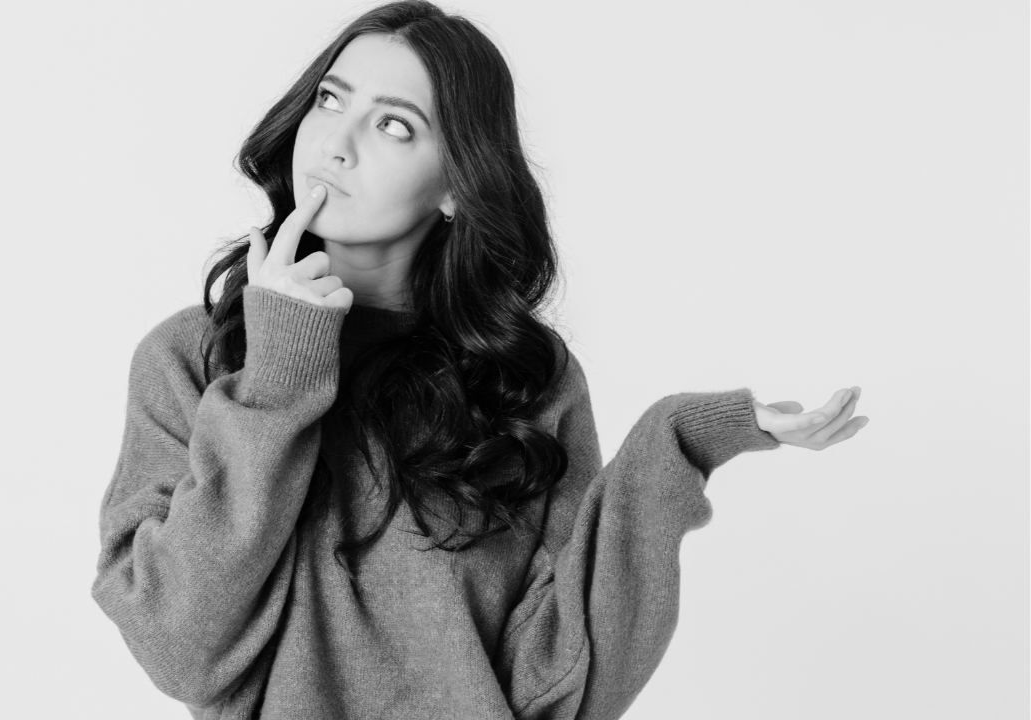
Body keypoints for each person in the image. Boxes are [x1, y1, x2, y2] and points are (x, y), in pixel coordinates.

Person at [90, 2, 870, 719]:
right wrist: (278, 375)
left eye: (394, 126)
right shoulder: (194, 359)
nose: (337, 143)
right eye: (330, 99)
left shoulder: (523, 378)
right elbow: (179, 649)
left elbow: (564, 680)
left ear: (457, 186)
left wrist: (680, 442)